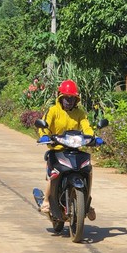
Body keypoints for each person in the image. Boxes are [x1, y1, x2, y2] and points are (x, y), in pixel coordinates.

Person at [37, 79, 98, 221]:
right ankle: (46, 201)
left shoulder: (80, 113)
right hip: (57, 149)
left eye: (72, 98)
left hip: (75, 149)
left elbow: (86, 126)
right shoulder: (53, 110)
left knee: (88, 169)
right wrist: (44, 136)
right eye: (66, 98)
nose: (69, 101)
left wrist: (92, 137)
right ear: (61, 97)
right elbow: (44, 125)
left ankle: (86, 203)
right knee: (54, 174)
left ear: (76, 100)